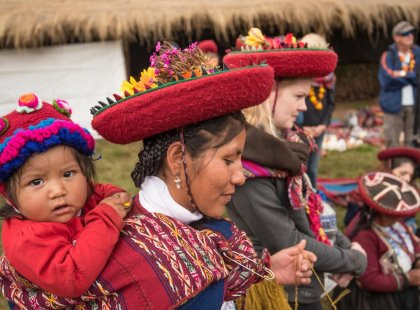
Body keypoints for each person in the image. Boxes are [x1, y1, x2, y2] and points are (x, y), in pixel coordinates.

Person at [0, 41, 316, 309]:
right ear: (179, 158)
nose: (241, 176)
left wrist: (268, 271)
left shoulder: (207, 231)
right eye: (229, 160)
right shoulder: (137, 255)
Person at [224, 28, 367, 310]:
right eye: (298, 96)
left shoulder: (288, 152)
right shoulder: (249, 169)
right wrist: (354, 260)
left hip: (307, 286)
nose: (303, 107)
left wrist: (346, 246)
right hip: (281, 296)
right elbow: (289, 240)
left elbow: (314, 216)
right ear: (268, 93)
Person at [0, 93, 133, 297]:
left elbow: (102, 191)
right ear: (10, 198)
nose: (58, 191)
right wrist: (106, 218)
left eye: (68, 174)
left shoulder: (84, 195)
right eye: (37, 182)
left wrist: (116, 196)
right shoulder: (27, 239)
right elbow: (71, 279)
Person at [338, 171, 420, 310]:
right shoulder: (365, 236)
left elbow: (412, 242)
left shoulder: (396, 223)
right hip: (376, 299)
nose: (397, 218)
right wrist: (408, 279)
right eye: (392, 216)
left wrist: (418, 259)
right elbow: (369, 280)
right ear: (379, 211)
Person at [298, 33, 336, 188]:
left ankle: (312, 199)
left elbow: (331, 104)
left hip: (319, 129)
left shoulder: (329, 78)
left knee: (312, 168)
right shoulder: (298, 75)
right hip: (301, 129)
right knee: (300, 166)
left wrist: (323, 125)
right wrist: (301, 128)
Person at [379, 21, 420, 147]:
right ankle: (394, 167)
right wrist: (412, 76)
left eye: (411, 33)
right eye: (405, 34)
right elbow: (387, 80)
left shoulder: (418, 54)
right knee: (392, 143)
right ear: (396, 37)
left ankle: (411, 167)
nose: (410, 36)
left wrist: (400, 74)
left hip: (415, 107)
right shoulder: (388, 56)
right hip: (393, 105)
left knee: (413, 143)